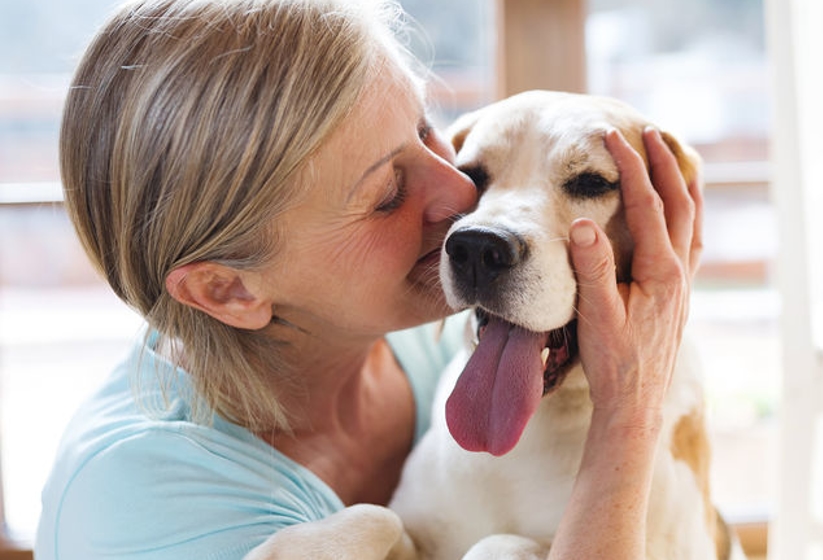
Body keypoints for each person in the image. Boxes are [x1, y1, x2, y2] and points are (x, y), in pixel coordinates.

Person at [36, 0, 703, 558]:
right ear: (230, 290)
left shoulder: (429, 339)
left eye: (427, 132)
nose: (460, 199)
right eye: (387, 191)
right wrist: (629, 416)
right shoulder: (145, 512)